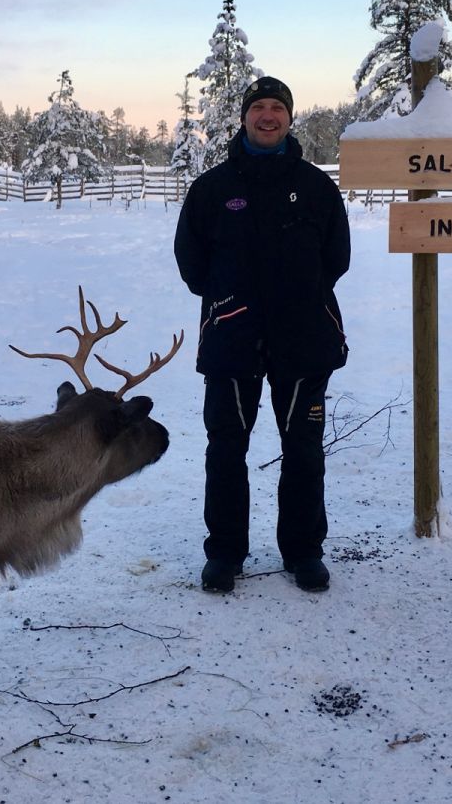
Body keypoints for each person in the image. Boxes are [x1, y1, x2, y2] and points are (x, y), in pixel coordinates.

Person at [173, 76, 351, 594]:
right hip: (232, 339)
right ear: (245, 117)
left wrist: (297, 297)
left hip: (303, 340)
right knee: (226, 448)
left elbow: (336, 259)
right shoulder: (212, 189)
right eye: (259, 108)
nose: (268, 116)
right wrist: (229, 300)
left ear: (290, 119)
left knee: (303, 448)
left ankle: (303, 552)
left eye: (278, 108)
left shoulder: (318, 188)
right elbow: (192, 263)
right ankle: (225, 553)